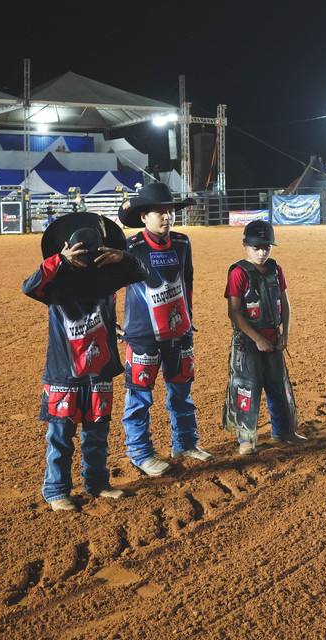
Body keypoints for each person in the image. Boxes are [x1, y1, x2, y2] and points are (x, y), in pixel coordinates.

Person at [23, 211, 147, 511]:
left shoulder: (108, 280)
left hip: (98, 370)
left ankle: (97, 482)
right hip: (64, 372)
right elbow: (29, 286)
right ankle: (56, 489)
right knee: (60, 435)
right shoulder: (55, 283)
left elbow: (140, 271)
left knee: (97, 432)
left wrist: (123, 256)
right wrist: (59, 261)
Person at [117, 183, 210, 478]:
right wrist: (111, 321)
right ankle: (140, 453)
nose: (168, 217)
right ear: (144, 216)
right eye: (161, 212)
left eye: (170, 211)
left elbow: (188, 281)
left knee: (182, 392)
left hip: (180, 332)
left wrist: (188, 319)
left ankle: (185, 443)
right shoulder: (130, 248)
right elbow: (109, 286)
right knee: (139, 398)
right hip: (143, 335)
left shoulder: (182, 243)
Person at [223, 220, 305, 455]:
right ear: (245, 246)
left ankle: (284, 431)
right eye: (256, 248)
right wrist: (257, 339)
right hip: (248, 343)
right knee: (247, 387)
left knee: (279, 385)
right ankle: (246, 438)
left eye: (266, 247)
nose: (261, 253)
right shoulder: (238, 273)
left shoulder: (276, 269)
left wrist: (284, 333)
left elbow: (284, 303)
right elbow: (234, 312)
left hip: (274, 338)